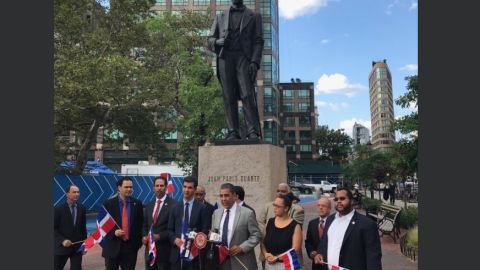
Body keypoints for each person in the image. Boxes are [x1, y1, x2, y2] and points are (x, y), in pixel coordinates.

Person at [207, 0, 264, 140]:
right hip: (225, 58)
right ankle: (233, 131)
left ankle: (252, 131)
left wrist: (255, 62)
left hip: (244, 57)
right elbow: (209, 39)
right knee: (229, 96)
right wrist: (217, 42)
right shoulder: (220, 17)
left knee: (247, 94)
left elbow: (258, 41)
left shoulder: (254, 16)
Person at [313, 188, 382, 270]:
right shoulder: (330, 219)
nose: (338, 201)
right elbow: (325, 240)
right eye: (336, 199)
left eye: (342, 198)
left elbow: (373, 256)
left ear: (352, 201)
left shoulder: (367, 224)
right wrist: (319, 253)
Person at [211, 183, 262, 270]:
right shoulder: (216, 213)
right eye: (221, 196)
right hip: (220, 261)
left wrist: (242, 247)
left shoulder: (247, 213)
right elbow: (213, 233)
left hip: (241, 261)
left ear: (234, 196)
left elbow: (256, 235)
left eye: (226, 195)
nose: (223, 199)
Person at [167, 176, 212, 270]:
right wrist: (175, 240)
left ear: (195, 189)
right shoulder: (174, 208)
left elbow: (205, 229)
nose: (186, 190)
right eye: (185, 187)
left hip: (194, 255)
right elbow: (169, 230)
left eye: (190, 187)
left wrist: (195, 240)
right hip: (177, 255)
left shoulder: (202, 208)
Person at [258, 183, 304, 269]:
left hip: (286, 265)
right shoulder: (270, 222)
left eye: (278, 206)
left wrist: (277, 258)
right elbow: (262, 242)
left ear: (286, 208)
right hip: (269, 264)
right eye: (274, 205)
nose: (274, 208)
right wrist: (266, 254)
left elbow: (295, 250)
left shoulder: (295, 226)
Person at [102, 177, 144, 270]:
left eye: (131, 187)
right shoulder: (108, 204)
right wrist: (114, 232)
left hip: (130, 247)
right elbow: (102, 226)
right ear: (119, 188)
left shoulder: (137, 204)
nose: (129, 189)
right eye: (126, 187)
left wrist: (137, 244)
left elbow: (141, 224)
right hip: (112, 246)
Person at [143, 176, 179, 270]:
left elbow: (175, 228)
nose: (159, 188)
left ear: (166, 187)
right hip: (150, 252)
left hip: (165, 252)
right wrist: (143, 236)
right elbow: (145, 225)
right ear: (153, 188)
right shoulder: (149, 205)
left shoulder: (175, 205)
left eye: (162, 185)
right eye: (157, 185)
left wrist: (160, 236)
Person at [54, 185, 87, 270]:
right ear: (67, 194)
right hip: (61, 247)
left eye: (78, 192)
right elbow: (54, 228)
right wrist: (62, 240)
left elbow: (83, 228)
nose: (77, 194)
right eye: (74, 192)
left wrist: (85, 245)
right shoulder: (58, 209)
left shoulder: (82, 208)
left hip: (77, 247)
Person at [305, 198, 332, 270]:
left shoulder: (334, 223)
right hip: (316, 264)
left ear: (329, 209)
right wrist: (311, 252)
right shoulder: (312, 223)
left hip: (329, 263)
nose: (320, 207)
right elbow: (308, 242)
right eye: (318, 205)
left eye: (323, 206)